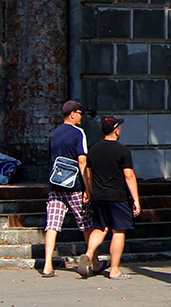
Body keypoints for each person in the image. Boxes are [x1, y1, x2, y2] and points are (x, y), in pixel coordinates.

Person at [78, 116, 140, 280]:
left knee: (100, 228)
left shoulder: (94, 150)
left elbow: (89, 174)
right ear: (116, 130)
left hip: (98, 196)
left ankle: (89, 254)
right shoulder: (122, 151)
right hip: (117, 196)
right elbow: (129, 176)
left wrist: (89, 191)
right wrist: (136, 199)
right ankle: (114, 269)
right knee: (118, 230)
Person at [42, 100, 94, 277]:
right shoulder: (78, 133)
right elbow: (82, 161)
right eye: (80, 113)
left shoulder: (54, 133)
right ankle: (92, 260)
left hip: (56, 184)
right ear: (73, 114)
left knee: (52, 224)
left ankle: (47, 265)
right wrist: (87, 187)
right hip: (74, 186)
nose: (81, 116)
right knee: (85, 222)